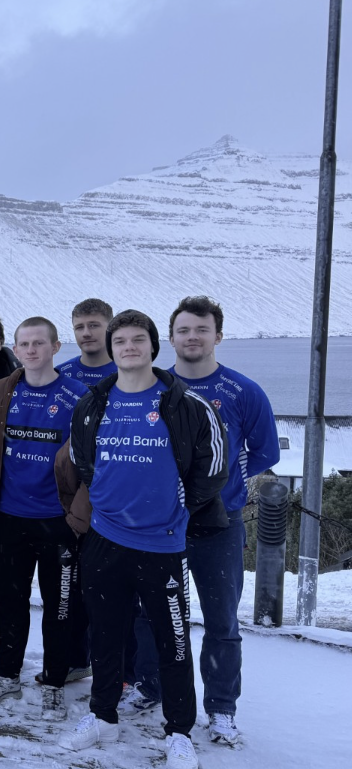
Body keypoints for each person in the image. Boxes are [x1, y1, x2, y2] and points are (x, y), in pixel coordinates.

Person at [57, 309, 227, 769]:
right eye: (121, 341)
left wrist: (179, 507)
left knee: (172, 641)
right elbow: (83, 462)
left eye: (137, 340)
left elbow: (213, 468)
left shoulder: (185, 403)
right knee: (106, 634)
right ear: (111, 349)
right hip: (105, 539)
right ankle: (102, 717)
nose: (129, 347)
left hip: (162, 543)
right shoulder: (93, 402)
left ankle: (179, 732)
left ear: (154, 346)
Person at [160, 296, 275, 746]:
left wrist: (226, 483)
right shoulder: (152, 386)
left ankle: (221, 708)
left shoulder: (243, 391)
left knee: (222, 621)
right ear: (171, 338)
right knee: (151, 614)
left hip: (220, 524)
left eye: (201, 330)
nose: (192, 337)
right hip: (160, 523)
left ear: (218, 336)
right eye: (184, 330)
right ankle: (148, 688)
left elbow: (264, 451)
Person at [0, 317, 87, 721]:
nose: (32, 350)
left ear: (56, 347)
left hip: (58, 520)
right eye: (25, 344)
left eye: (40, 343)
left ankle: (54, 681)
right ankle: (7, 674)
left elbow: (92, 461)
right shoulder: (1, 391)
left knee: (60, 605)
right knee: (8, 602)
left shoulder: (78, 395)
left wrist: (79, 515)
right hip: (8, 517)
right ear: (15, 349)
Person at [57, 298, 118, 386]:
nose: (86, 333)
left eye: (93, 326)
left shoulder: (130, 373)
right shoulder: (59, 375)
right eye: (79, 327)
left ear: (111, 328)